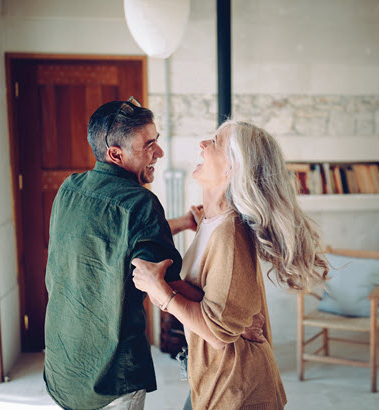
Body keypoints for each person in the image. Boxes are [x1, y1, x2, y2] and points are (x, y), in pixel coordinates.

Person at [131, 120, 329, 410]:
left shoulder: (229, 233)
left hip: (238, 389)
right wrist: (238, 320)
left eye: (215, 143)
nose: (202, 145)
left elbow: (217, 333)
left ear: (233, 167)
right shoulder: (211, 223)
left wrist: (161, 293)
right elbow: (216, 305)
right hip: (216, 379)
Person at [43, 97, 201, 409]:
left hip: (63, 365)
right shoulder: (141, 203)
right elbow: (164, 290)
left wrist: (182, 223)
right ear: (116, 154)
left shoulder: (70, 188)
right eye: (149, 144)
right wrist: (229, 316)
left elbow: (116, 237)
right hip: (110, 376)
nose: (159, 152)